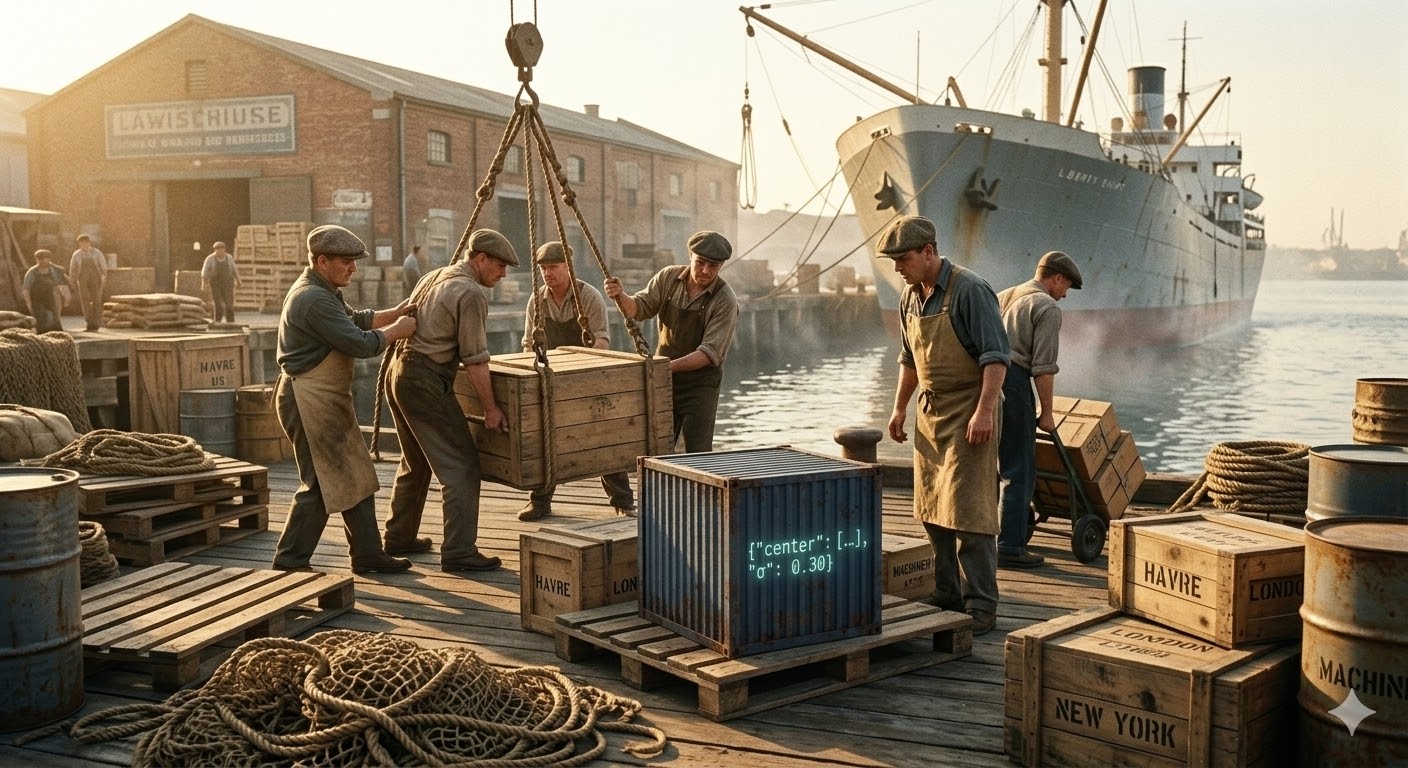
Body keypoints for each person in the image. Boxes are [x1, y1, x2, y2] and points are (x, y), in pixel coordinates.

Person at [881, 215, 1010, 636]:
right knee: (932, 509)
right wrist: (900, 408)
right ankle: (947, 593)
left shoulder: (971, 290)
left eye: (903, 259)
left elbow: (995, 358)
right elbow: (909, 359)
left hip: (973, 409)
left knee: (971, 513)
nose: (898, 268)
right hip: (932, 412)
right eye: (894, 261)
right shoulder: (909, 297)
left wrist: (985, 412)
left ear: (928, 252)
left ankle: (981, 606)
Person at [270, 224, 419, 574]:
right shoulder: (312, 299)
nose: (354, 268)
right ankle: (289, 562)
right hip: (306, 400)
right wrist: (397, 331)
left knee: (356, 473)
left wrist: (394, 312)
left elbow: (357, 320)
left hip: (324, 399)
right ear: (322, 261)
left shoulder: (323, 290)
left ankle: (368, 554)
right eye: (347, 261)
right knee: (322, 483)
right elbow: (359, 342)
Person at [382, 229, 518, 573]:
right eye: (500, 266)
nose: (503, 275)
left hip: (399, 373)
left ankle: (399, 537)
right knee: (461, 467)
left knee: (415, 461)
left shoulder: (434, 276)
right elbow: (474, 359)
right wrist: (491, 408)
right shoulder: (470, 293)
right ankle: (458, 550)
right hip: (425, 381)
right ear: (481, 259)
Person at [517, 241, 636, 521]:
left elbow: (602, 341)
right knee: (545, 441)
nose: (548, 274)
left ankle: (623, 501)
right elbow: (527, 344)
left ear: (568, 267)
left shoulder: (589, 297)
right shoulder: (537, 300)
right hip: (549, 382)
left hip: (588, 379)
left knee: (603, 440)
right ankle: (540, 501)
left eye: (553, 268)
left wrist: (579, 372)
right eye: (544, 269)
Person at [604, 230, 739, 453]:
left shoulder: (725, 300)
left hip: (700, 386)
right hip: (665, 381)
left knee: (698, 451)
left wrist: (663, 367)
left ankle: (699, 487)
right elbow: (639, 308)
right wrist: (620, 295)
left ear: (721, 266)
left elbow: (708, 353)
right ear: (690, 256)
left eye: (713, 266)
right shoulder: (668, 278)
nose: (705, 270)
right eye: (701, 262)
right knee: (656, 447)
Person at [995, 251, 1083, 569]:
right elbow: (1043, 368)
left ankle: (994, 535)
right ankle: (1010, 548)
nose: (1065, 295)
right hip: (1015, 384)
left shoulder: (1006, 295)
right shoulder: (1045, 306)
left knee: (999, 466)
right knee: (1021, 470)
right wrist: (1047, 412)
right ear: (1055, 278)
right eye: (1066, 287)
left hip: (989, 383)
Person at [22, 249, 72, 333]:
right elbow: (26, 289)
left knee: (55, 321)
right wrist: (29, 304)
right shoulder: (31, 272)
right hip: (37, 301)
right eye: (39, 259)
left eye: (44, 258)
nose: (41, 261)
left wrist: (67, 297)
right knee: (42, 322)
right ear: (36, 259)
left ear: (49, 259)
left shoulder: (55, 271)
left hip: (51, 299)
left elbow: (61, 285)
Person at [69, 234, 107, 332]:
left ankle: (96, 324)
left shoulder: (97, 253)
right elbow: (73, 268)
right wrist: (72, 280)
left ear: (89, 242)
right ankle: (89, 323)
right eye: (81, 243)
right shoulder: (76, 254)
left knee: (97, 301)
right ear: (79, 244)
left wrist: (103, 280)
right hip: (82, 279)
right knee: (85, 301)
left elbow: (103, 267)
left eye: (85, 242)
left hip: (96, 279)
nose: (84, 245)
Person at [200, 241, 242, 323]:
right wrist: (204, 283)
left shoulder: (229, 258)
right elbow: (204, 272)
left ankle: (231, 322)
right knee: (218, 304)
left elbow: (234, 270)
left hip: (228, 283)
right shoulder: (210, 259)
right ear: (215, 250)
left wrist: (239, 281)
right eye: (217, 249)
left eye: (222, 249)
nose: (220, 251)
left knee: (229, 304)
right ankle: (217, 322)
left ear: (224, 249)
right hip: (215, 283)